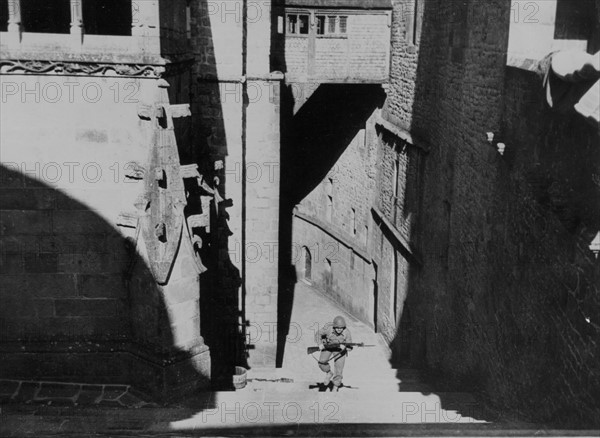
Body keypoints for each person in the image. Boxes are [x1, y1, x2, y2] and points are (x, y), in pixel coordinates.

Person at [315, 315, 353, 390]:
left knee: (339, 368)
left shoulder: (347, 332)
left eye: (341, 328)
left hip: (339, 350)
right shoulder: (328, 329)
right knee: (321, 362)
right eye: (337, 328)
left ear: (344, 327)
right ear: (334, 326)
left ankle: (336, 385)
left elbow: (350, 345)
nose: (339, 330)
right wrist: (320, 344)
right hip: (328, 346)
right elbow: (318, 333)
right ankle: (329, 373)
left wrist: (345, 347)